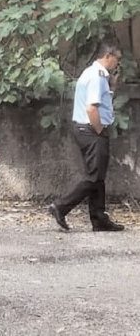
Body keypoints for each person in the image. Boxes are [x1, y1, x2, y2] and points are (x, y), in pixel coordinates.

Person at [49, 43, 124, 232]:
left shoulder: (94, 74)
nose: (118, 63)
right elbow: (91, 108)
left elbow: (101, 102)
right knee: (94, 177)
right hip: (91, 130)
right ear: (108, 56)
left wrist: (113, 85)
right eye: (117, 59)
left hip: (86, 129)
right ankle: (60, 206)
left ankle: (99, 219)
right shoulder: (97, 76)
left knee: (98, 176)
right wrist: (98, 129)